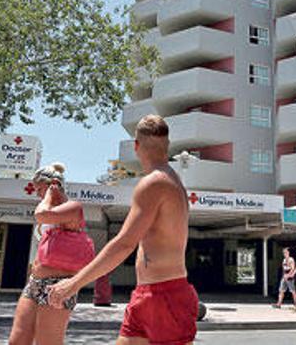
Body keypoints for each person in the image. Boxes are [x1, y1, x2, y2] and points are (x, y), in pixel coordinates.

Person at [47, 115, 198, 345]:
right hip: (148, 295)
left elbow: (124, 243)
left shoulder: (155, 183)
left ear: (136, 146)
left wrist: (74, 284)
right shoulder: (171, 181)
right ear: (167, 146)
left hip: (165, 296)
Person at [9, 162, 96, 345]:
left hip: (59, 286)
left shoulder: (73, 208)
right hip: (34, 283)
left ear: (53, 185)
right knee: (17, 340)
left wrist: (50, 193)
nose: (37, 194)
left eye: (40, 189)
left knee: (47, 342)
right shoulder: (49, 208)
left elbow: (41, 215)